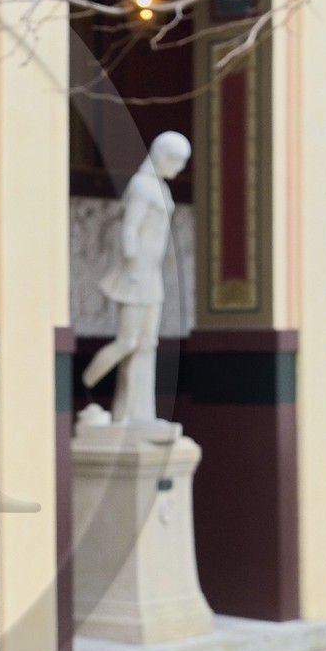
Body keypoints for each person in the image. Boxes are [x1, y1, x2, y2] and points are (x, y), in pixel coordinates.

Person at [82, 130, 190, 428]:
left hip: (151, 275)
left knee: (146, 344)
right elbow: (129, 229)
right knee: (128, 341)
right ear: (162, 156)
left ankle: (138, 414)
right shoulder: (142, 186)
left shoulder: (160, 189)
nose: (179, 169)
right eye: (177, 161)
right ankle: (86, 381)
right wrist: (131, 266)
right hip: (137, 273)